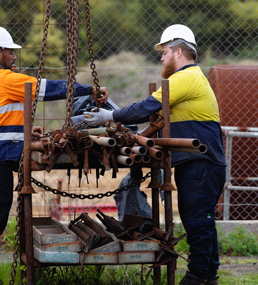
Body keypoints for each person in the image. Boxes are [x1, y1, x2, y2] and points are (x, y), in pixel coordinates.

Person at [0, 26, 108, 285]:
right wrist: (89, 90)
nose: (14, 57)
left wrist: (24, 131)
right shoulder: (4, 79)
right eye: (9, 52)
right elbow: (48, 88)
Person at [84, 24, 227, 285]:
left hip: (201, 164)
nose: (161, 57)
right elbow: (155, 119)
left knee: (197, 220)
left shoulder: (186, 78)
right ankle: (208, 277)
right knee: (201, 219)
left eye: (164, 52)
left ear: (178, 51)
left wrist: (111, 115)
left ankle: (196, 277)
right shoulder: (191, 79)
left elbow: (149, 105)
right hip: (199, 163)